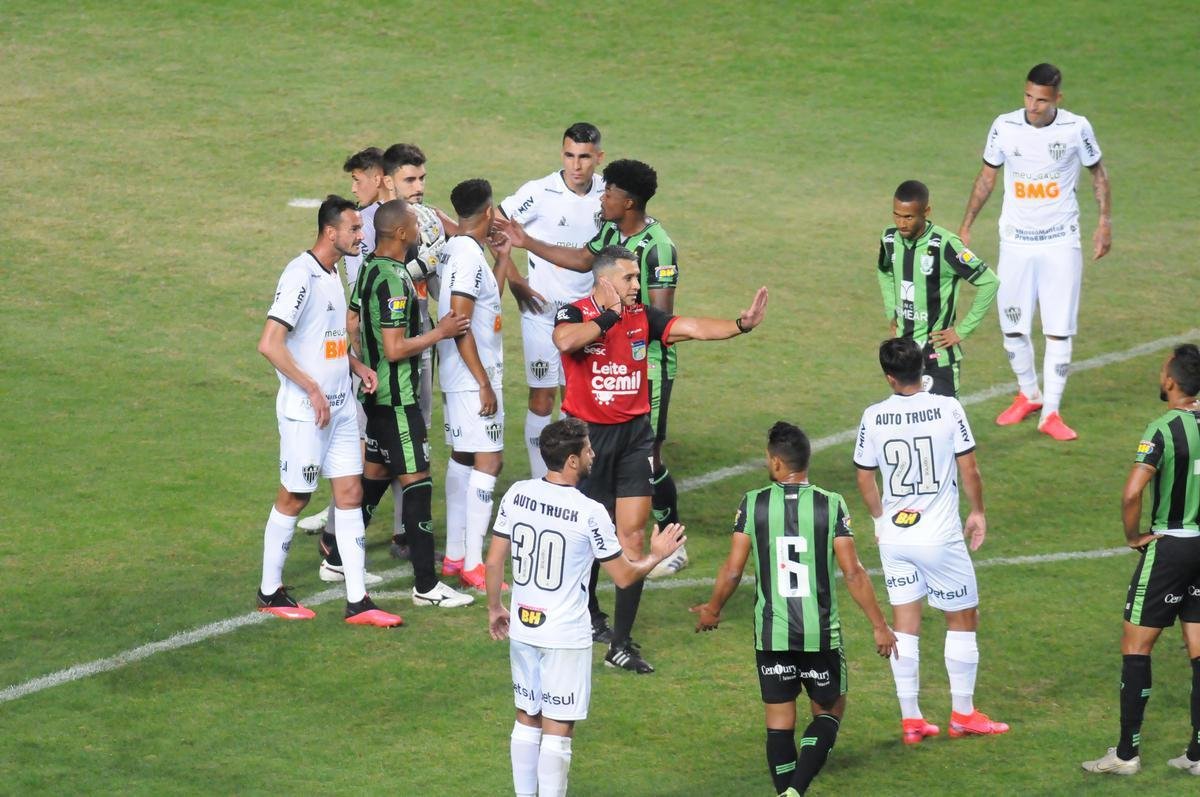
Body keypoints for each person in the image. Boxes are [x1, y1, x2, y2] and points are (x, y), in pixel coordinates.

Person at [552, 244, 768, 672]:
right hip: (587, 441)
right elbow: (565, 342)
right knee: (584, 534)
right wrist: (610, 316)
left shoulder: (644, 317)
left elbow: (691, 327)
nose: (638, 284)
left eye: (638, 277)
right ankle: (590, 613)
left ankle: (621, 642)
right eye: (630, 278)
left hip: (635, 438)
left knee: (631, 537)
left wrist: (740, 324)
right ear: (604, 281)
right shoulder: (573, 312)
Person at [495, 159, 688, 578]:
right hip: (609, 361)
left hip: (646, 366)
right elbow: (584, 260)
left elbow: (661, 318)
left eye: (610, 193)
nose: (603, 197)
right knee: (611, 455)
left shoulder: (659, 247)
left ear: (629, 201)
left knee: (649, 455)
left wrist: (613, 317)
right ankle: (622, 525)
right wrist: (526, 241)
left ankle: (671, 539)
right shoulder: (611, 231)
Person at [692, 421, 897, 797]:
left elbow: (733, 568)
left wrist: (713, 608)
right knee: (830, 711)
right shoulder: (831, 504)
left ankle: (785, 791)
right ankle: (796, 792)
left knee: (779, 722)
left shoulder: (753, 503)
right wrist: (880, 625)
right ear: (806, 461)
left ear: (775, 463)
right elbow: (853, 572)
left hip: (773, 634)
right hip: (820, 634)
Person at [485, 417, 686, 797]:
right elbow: (625, 576)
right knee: (558, 733)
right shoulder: (588, 511)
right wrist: (656, 555)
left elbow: (495, 562)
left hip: (524, 628)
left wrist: (495, 607)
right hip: (564, 635)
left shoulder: (516, 493)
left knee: (527, 720)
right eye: (589, 448)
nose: (594, 453)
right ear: (573, 461)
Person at [254, 194, 402, 628]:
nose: (363, 235)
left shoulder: (335, 273)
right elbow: (270, 343)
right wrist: (313, 389)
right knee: (295, 496)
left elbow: (327, 338)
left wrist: (354, 365)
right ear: (330, 231)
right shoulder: (300, 275)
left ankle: (358, 601)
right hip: (307, 412)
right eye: (355, 229)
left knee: (350, 495)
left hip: (339, 409)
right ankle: (268, 592)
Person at [854, 338, 1007, 740]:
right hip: (939, 536)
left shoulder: (873, 416)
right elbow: (969, 469)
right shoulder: (946, 407)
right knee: (962, 618)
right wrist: (977, 512)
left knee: (905, 624)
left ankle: (912, 719)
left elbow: (864, 478)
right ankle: (962, 714)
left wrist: (878, 519)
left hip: (895, 538)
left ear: (889, 377)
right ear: (922, 369)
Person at [958, 62, 1112, 441]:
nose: (1033, 105)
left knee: (1058, 330)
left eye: (1041, 100)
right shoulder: (1004, 126)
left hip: (1061, 241)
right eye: (1028, 96)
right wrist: (966, 224)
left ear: (1057, 98)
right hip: (1015, 243)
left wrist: (1105, 221)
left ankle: (1052, 413)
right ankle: (1028, 394)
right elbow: (987, 178)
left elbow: (1099, 174)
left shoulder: (1076, 128)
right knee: (1012, 327)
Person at [349, 198, 475, 608]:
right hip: (398, 399)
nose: (420, 229)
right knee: (418, 484)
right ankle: (426, 586)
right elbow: (395, 347)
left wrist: (361, 366)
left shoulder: (368, 268)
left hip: (375, 397)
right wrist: (440, 332)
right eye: (414, 224)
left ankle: (336, 554)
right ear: (402, 234)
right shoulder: (394, 280)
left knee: (375, 475)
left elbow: (352, 321)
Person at [1082, 344, 1200, 776]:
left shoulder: (1164, 428)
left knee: (1136, 646)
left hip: (1171, 547)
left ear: (1171, 380)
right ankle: (1198, 753)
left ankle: (1126, 754)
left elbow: (1132, 492)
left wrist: (1134, 537)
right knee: (1199, 649)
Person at [497, 123, 605, 480]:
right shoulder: (538, 192)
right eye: (570, 155)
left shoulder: (607, 195)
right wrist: (516, 281)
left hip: (586, 318)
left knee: (575, 400)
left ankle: (572, 477)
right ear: (562, 154)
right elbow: (493, 227)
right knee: (541, 398)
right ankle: (537, 479)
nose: (576, 165)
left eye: (585, 157)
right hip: (541, 314)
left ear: (598, 158)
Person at [297, 147, 389, 539]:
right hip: (357, 351)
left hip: (385, 346)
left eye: (358, 178)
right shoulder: (324, 259)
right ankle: (338, 513)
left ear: (379, 176)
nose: (353, 187)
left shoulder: (386, 223)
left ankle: (347, 520)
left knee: (380, 443)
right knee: (361, 440)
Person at [437, 179, 507, 590]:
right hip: (471, 378)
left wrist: (502, 259)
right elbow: (461, 322)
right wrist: (483, 383)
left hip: (461, 376)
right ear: (489, 211)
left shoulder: (461, 251)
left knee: (464, 457)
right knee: (489, 461)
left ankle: (454, 556)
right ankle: (473, 563)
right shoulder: (464, 255)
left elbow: (483, 305)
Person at [878, 180, 999, 397]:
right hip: (904, 357)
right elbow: (884, 271)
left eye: (908, 217)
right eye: (897, 215)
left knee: (942, 425)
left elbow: (990, 282)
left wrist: (962, 330)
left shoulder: (945, 245)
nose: (901, 223)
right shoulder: (889, 238)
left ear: (926, 212)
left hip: (937, 357)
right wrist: (892, 312)